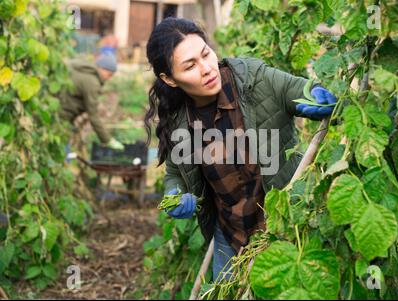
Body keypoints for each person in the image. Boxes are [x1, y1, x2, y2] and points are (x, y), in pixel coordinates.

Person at [144, 18, 337, 282]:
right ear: (169, 78)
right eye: (190, 66)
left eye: (205, 54)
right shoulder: (180, 121)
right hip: (230, 237)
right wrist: (174, 193)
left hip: (285, 226)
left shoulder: (252, 80)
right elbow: (176, 173)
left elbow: (296, 88)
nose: (206, 69)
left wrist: (314, 93)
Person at [60, 53, 124, 150]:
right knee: (62, 150)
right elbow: (93, 115)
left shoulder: (81, 70)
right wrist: (107, 140)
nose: (109, 78)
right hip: (61, 117)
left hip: (56, 112)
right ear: (101, 68)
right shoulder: (92, 83)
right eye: (109, 74)